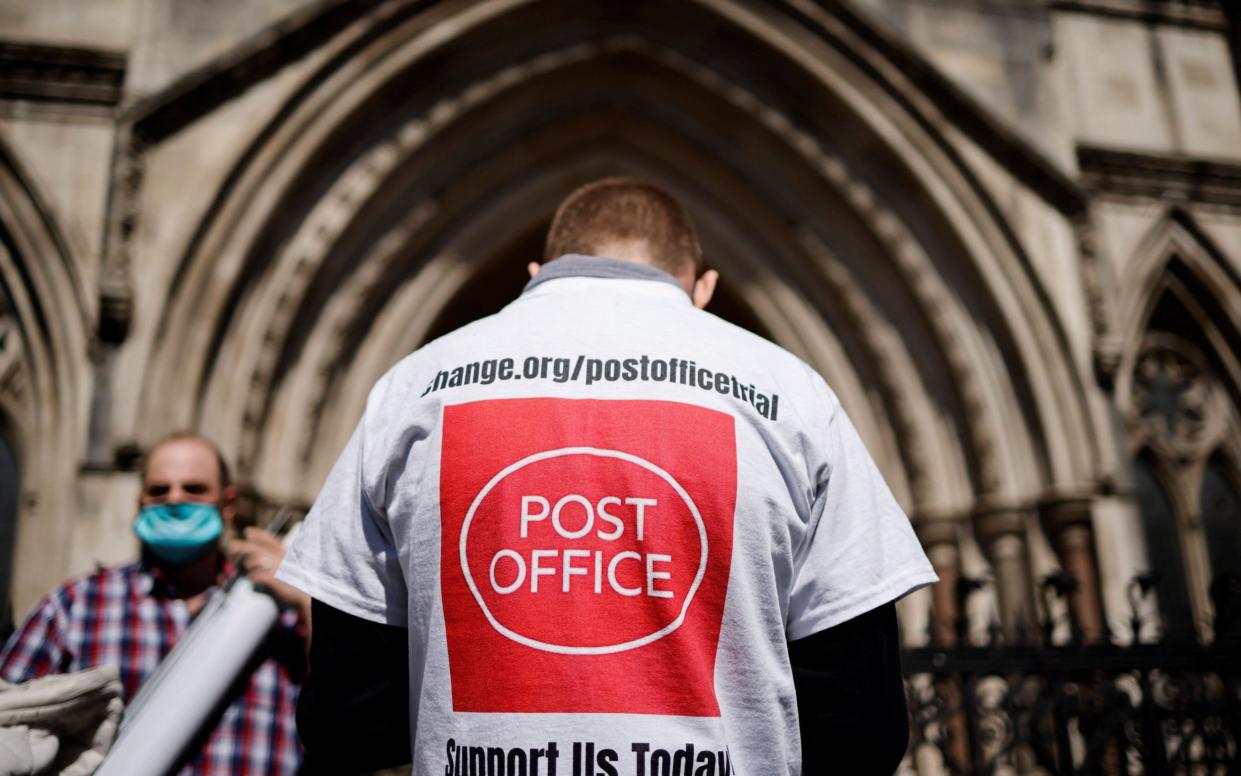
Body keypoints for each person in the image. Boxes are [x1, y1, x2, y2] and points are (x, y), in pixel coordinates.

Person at [278, 177, 938, 775]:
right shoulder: (790, 394)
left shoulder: (414, 388)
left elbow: (348, 717)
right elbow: (862, 723)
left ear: (535, 274)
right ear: (701, 289)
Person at [0, 432, 308, 774]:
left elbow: (357, 712)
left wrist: (309, 603)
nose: (175, 500)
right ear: (140, 503)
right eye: (159, 490)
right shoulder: (75, 607)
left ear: (229, 504)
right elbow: (9, 716)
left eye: (194, 490)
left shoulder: (285, 618)